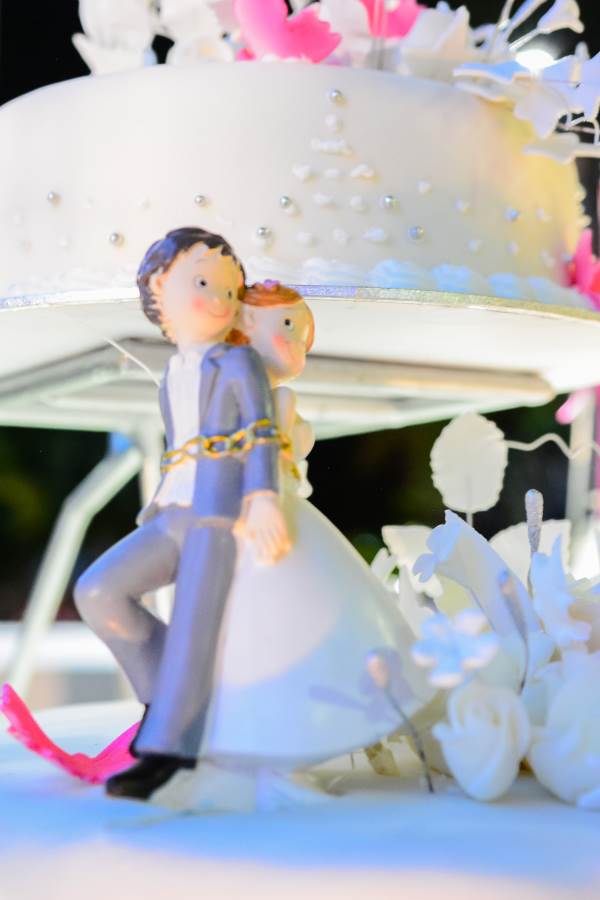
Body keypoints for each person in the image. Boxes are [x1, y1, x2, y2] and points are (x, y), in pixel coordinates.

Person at [151, 280, 434, 811]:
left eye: (302, 335)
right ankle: (258, 751)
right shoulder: (251, 394)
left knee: (302, 626)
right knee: (267, 630)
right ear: (244, 327)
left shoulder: (268, 395)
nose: (297, 344)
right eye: (286, 327)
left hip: (280, 516)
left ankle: (285, 748)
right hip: (259, 520)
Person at [73, 227, 290, 801]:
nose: (219, 299)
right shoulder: (172, 374)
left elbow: (261, 432)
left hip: (218, 514)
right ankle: (165, 696)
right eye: (202, 284)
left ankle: (169, 750)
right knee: (98, 590)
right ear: (157, 289)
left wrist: (262, 496)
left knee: (195, 620)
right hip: (170, 511)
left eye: (230, 290)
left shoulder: (238, 362)